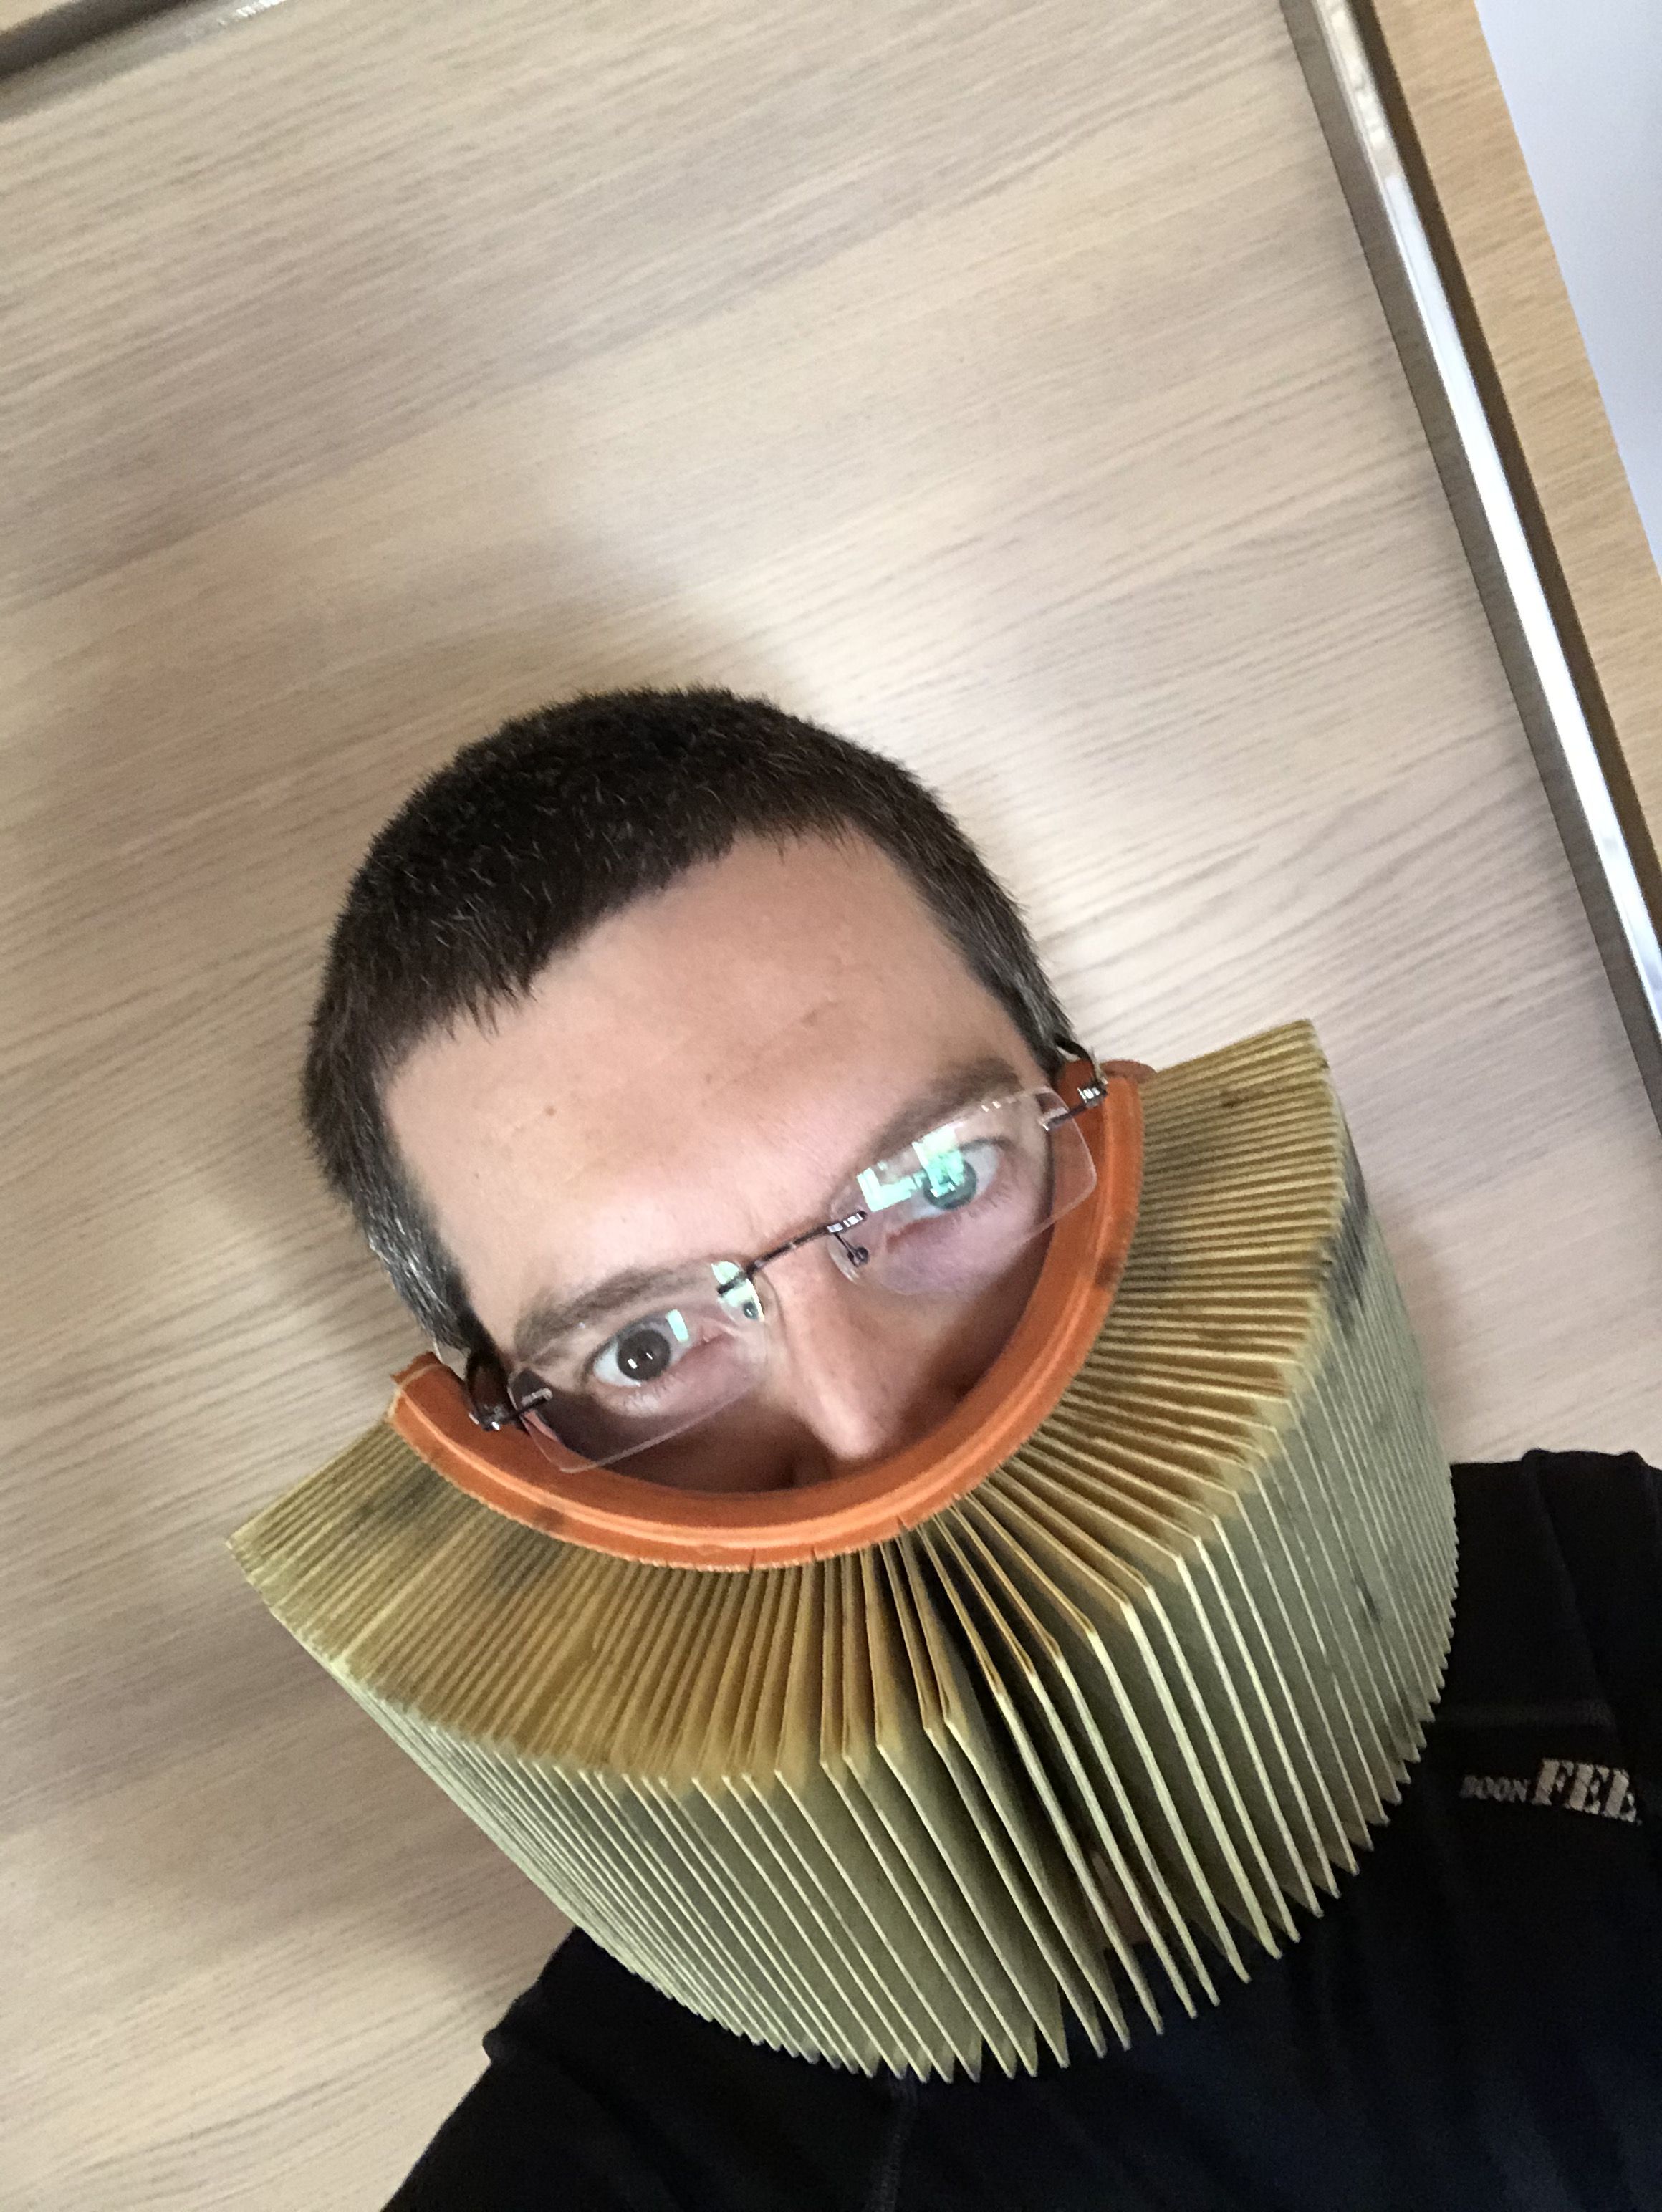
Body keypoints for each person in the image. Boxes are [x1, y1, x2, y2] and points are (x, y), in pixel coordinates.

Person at [302, 688, 1662, 2210]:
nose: (872, 1427)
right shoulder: (638, 2137)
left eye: (934, 1178)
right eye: (644, 1346)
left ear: (1089, 1109)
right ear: (509, 1449)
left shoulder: (1598, 1604)